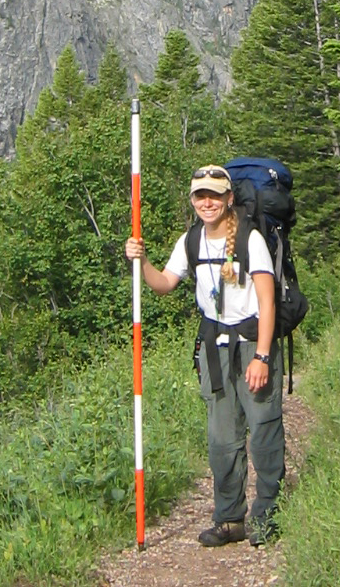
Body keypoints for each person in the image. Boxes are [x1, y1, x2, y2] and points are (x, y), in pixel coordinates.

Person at [124, 163, 285, 548]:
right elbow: (164, 284)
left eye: (215, 195)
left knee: (263, 429)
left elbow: (266, 301)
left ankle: (267, 516)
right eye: (200, 196)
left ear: (229, 198)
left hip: (251, 342)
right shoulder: (191, 240)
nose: (207, 202)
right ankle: (230, 519)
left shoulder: (250, 240)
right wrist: (140, 260)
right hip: (214, 348)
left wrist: (262, 357)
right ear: (193, 200)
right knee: (222, 438)